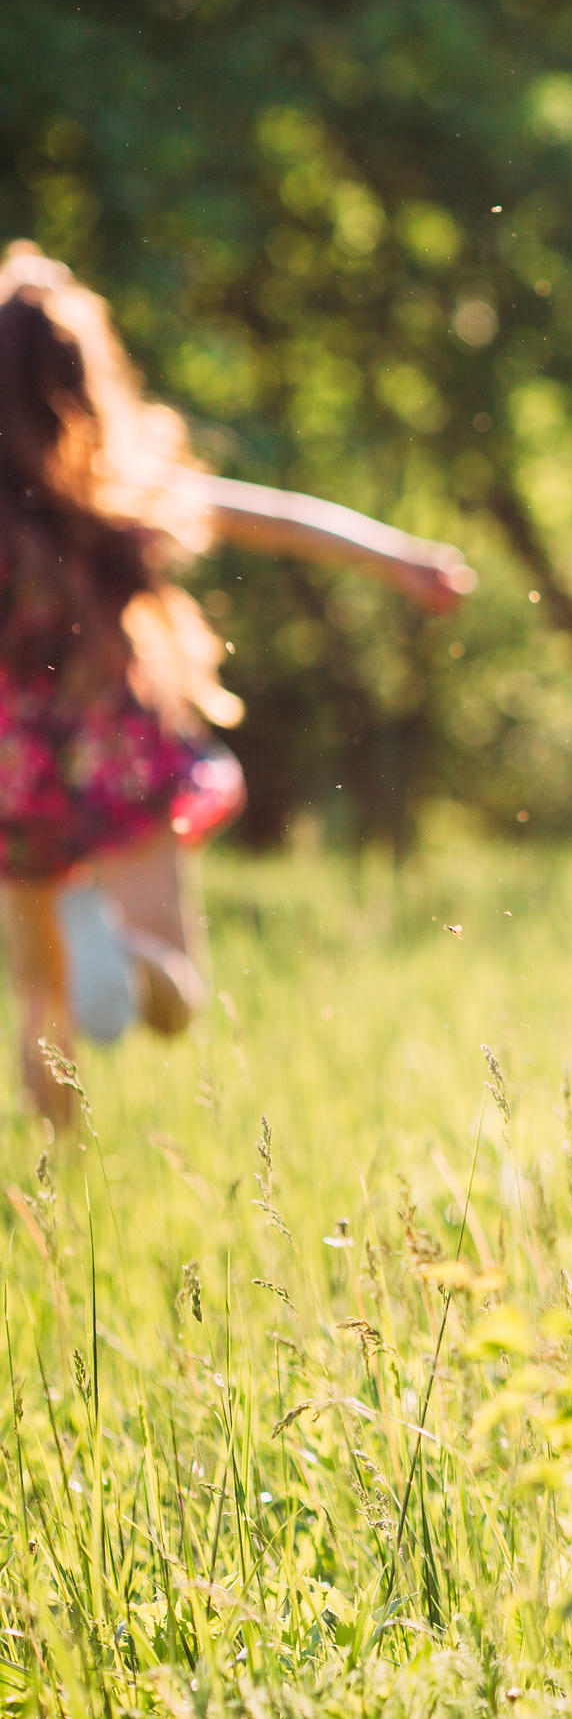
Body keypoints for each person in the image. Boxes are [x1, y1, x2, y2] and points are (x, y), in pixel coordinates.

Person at [0, 245, 473, 1129]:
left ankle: (52, 1199)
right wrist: (404, 560)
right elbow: (280, 518)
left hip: (14, 771)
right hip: (117, 756)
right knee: (173, 990)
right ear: (86, 378)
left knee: (40, 997)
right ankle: (128, 960)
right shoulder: (126, 490)